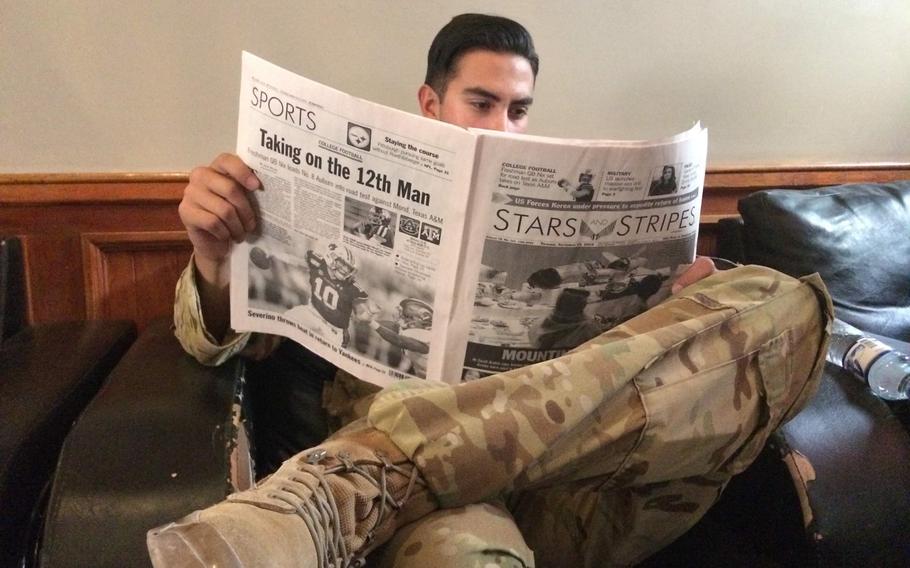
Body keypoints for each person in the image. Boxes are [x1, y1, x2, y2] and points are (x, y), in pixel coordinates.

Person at [154, 13, 829, 567]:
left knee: (788, 303)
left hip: (581, 485)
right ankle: (380, 479)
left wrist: (677, 318)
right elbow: (214, 344)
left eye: (518, 109)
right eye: (482, 103)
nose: (501, 125)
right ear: (431, 102)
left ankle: (355, 480)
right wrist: (215, 259)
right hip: (446, 513)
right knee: (467, 557)